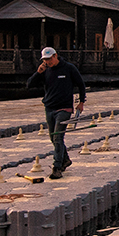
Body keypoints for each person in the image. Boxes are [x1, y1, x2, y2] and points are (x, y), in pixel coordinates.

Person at [24, 46, 86, 177]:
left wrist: (81, 102)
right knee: (53, 137)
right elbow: (29, 85)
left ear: (55, 56)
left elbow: (81, 84)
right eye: (45, 60)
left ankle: (57, 167)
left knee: (58, 136)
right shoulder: (45, 70)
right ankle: (65, 159)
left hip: (64, 108)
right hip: (49, 107)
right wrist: (38, 73)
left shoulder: (69, 68)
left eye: (49, 59)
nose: (48, 62)